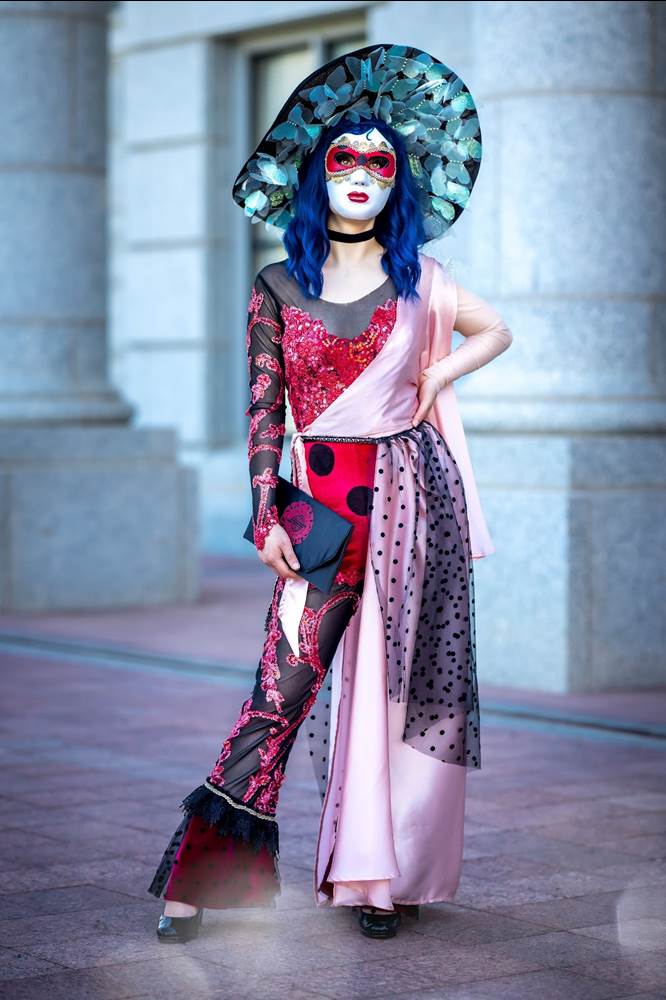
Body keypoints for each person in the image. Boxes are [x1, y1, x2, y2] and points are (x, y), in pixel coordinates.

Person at [148, 43, 513, 942]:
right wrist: (264, 512)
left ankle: (378, 883)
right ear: (317, 173)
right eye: (343, 157)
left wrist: (439, 374)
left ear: (398, 184)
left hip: (411, 508)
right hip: (320, 516)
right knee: (278, 696)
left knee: (398, 702)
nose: (360, 173)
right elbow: (262, 411)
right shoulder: (278, 284)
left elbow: (497, 329)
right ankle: (198, 883)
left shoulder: (423, 280)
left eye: (380, 163)